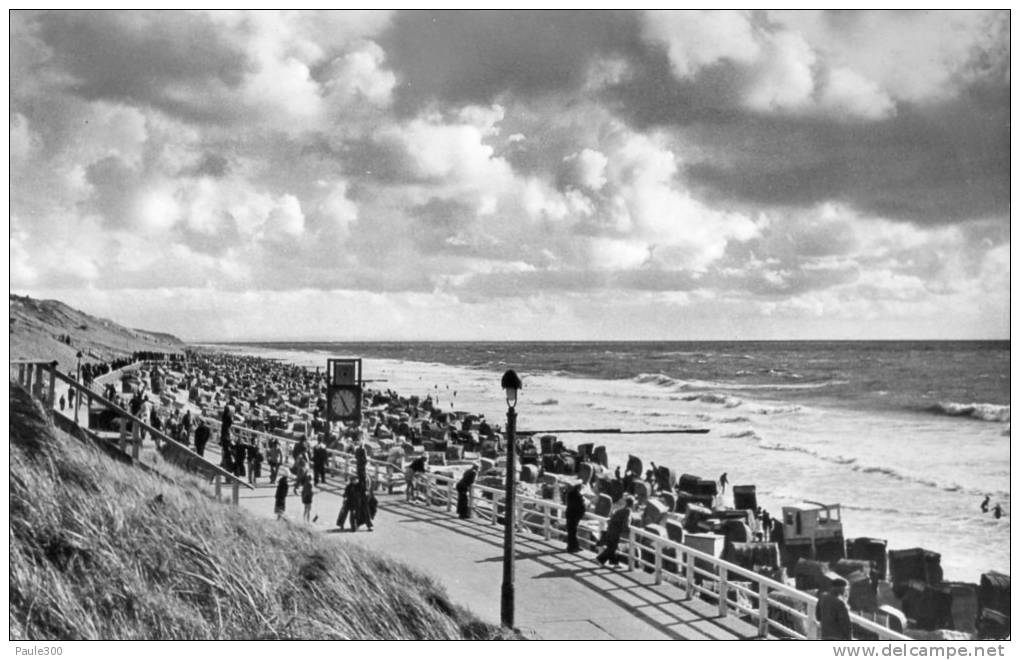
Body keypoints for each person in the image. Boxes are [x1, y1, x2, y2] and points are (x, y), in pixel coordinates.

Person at [597, 496, 636, 566]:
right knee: (612, 548)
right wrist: (631, 530)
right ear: (632, 504)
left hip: (610, 530)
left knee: (612, 547)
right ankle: (600, 559)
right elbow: (626, 524)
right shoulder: (628, 511)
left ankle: (614, 562)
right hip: (615, 532)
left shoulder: (620, 510)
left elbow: (611, 519)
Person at [565, 483, 587, 553]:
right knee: (572, 532)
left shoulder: (570, 494)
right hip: (574, 516)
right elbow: (581, 506)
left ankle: (574, 546)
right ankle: (572, 548)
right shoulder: (577, 495)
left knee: (571, 532)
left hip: (570, 515)